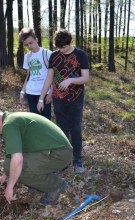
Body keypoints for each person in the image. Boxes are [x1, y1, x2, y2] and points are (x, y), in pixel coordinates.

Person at [0, 107, 72, 205]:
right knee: (9, 166)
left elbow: (18, 160)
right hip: (52, 150)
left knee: (20, 169)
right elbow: (13, 155)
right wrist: (6, 174)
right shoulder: (12, 119)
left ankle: (56, 185)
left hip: (59, 154)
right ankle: (38, 184)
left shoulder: (9, 124)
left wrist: (10, 187)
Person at [37, 29, 90, 173]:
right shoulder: (54, 56)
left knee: (75, 129)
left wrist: (71, 80)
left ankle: (77, 159)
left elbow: (86, 78)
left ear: (70, 42)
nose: (62, 50)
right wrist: (41, 99)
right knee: (61, 130)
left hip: (75, 98)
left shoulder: (80, 55)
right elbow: (49, 78)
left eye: (64, 47)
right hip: (58, 99)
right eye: (59, 47)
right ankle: (64, 160)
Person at [19, 27, 52, 119]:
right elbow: (28, 76)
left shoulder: (48, 54)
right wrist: (22, 92)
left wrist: (51, 93)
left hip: (45, 92)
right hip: (30, 92)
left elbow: (54, 76)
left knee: (46, 121)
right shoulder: (27, 57)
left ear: (36, 40)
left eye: (31, 43)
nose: (29, 46)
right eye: (26, 45)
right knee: (35, 120)